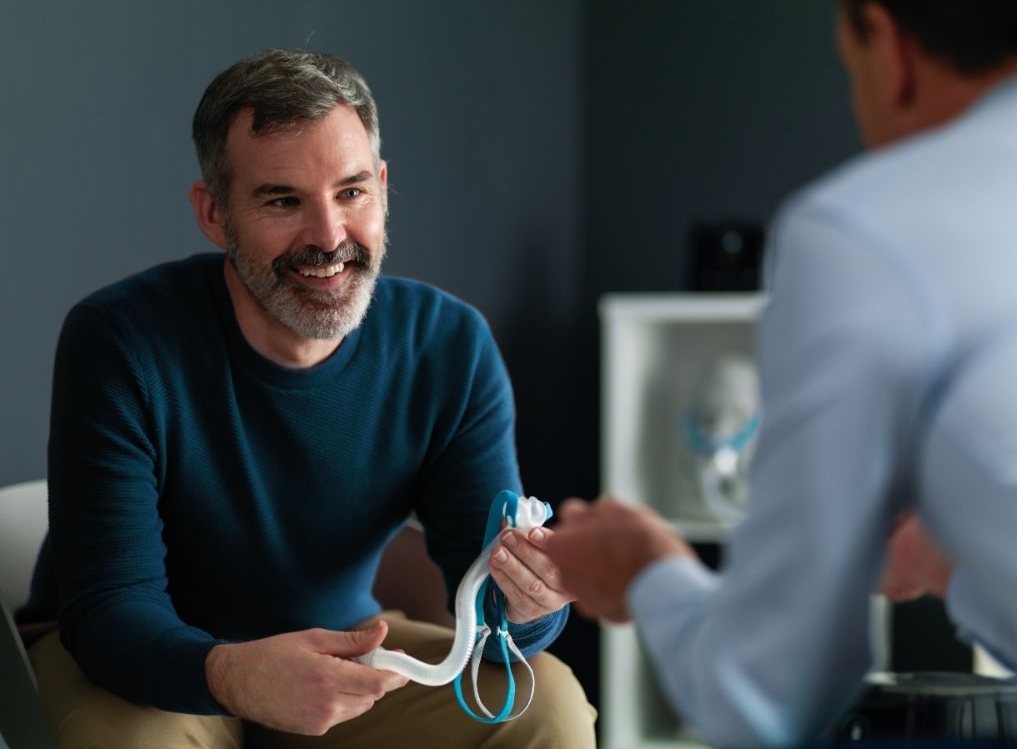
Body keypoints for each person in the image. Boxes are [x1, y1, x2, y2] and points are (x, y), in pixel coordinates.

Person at [18, 48, 595, 748]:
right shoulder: (120, 341)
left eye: (351, 192)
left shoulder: (448, 346)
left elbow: (496, 607)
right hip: (140, 665)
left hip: (340, 647)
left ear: (382, 189)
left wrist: (531, 603)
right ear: (213, 212)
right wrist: (232, 674)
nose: (328, 238)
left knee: (551, 710)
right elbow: (109, 610)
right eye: (283, 201)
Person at [547, 0, 1017, 745]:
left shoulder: (863, 229)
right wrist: (943, 564)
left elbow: (766, 703)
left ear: (888, 45)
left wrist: (645, 569)